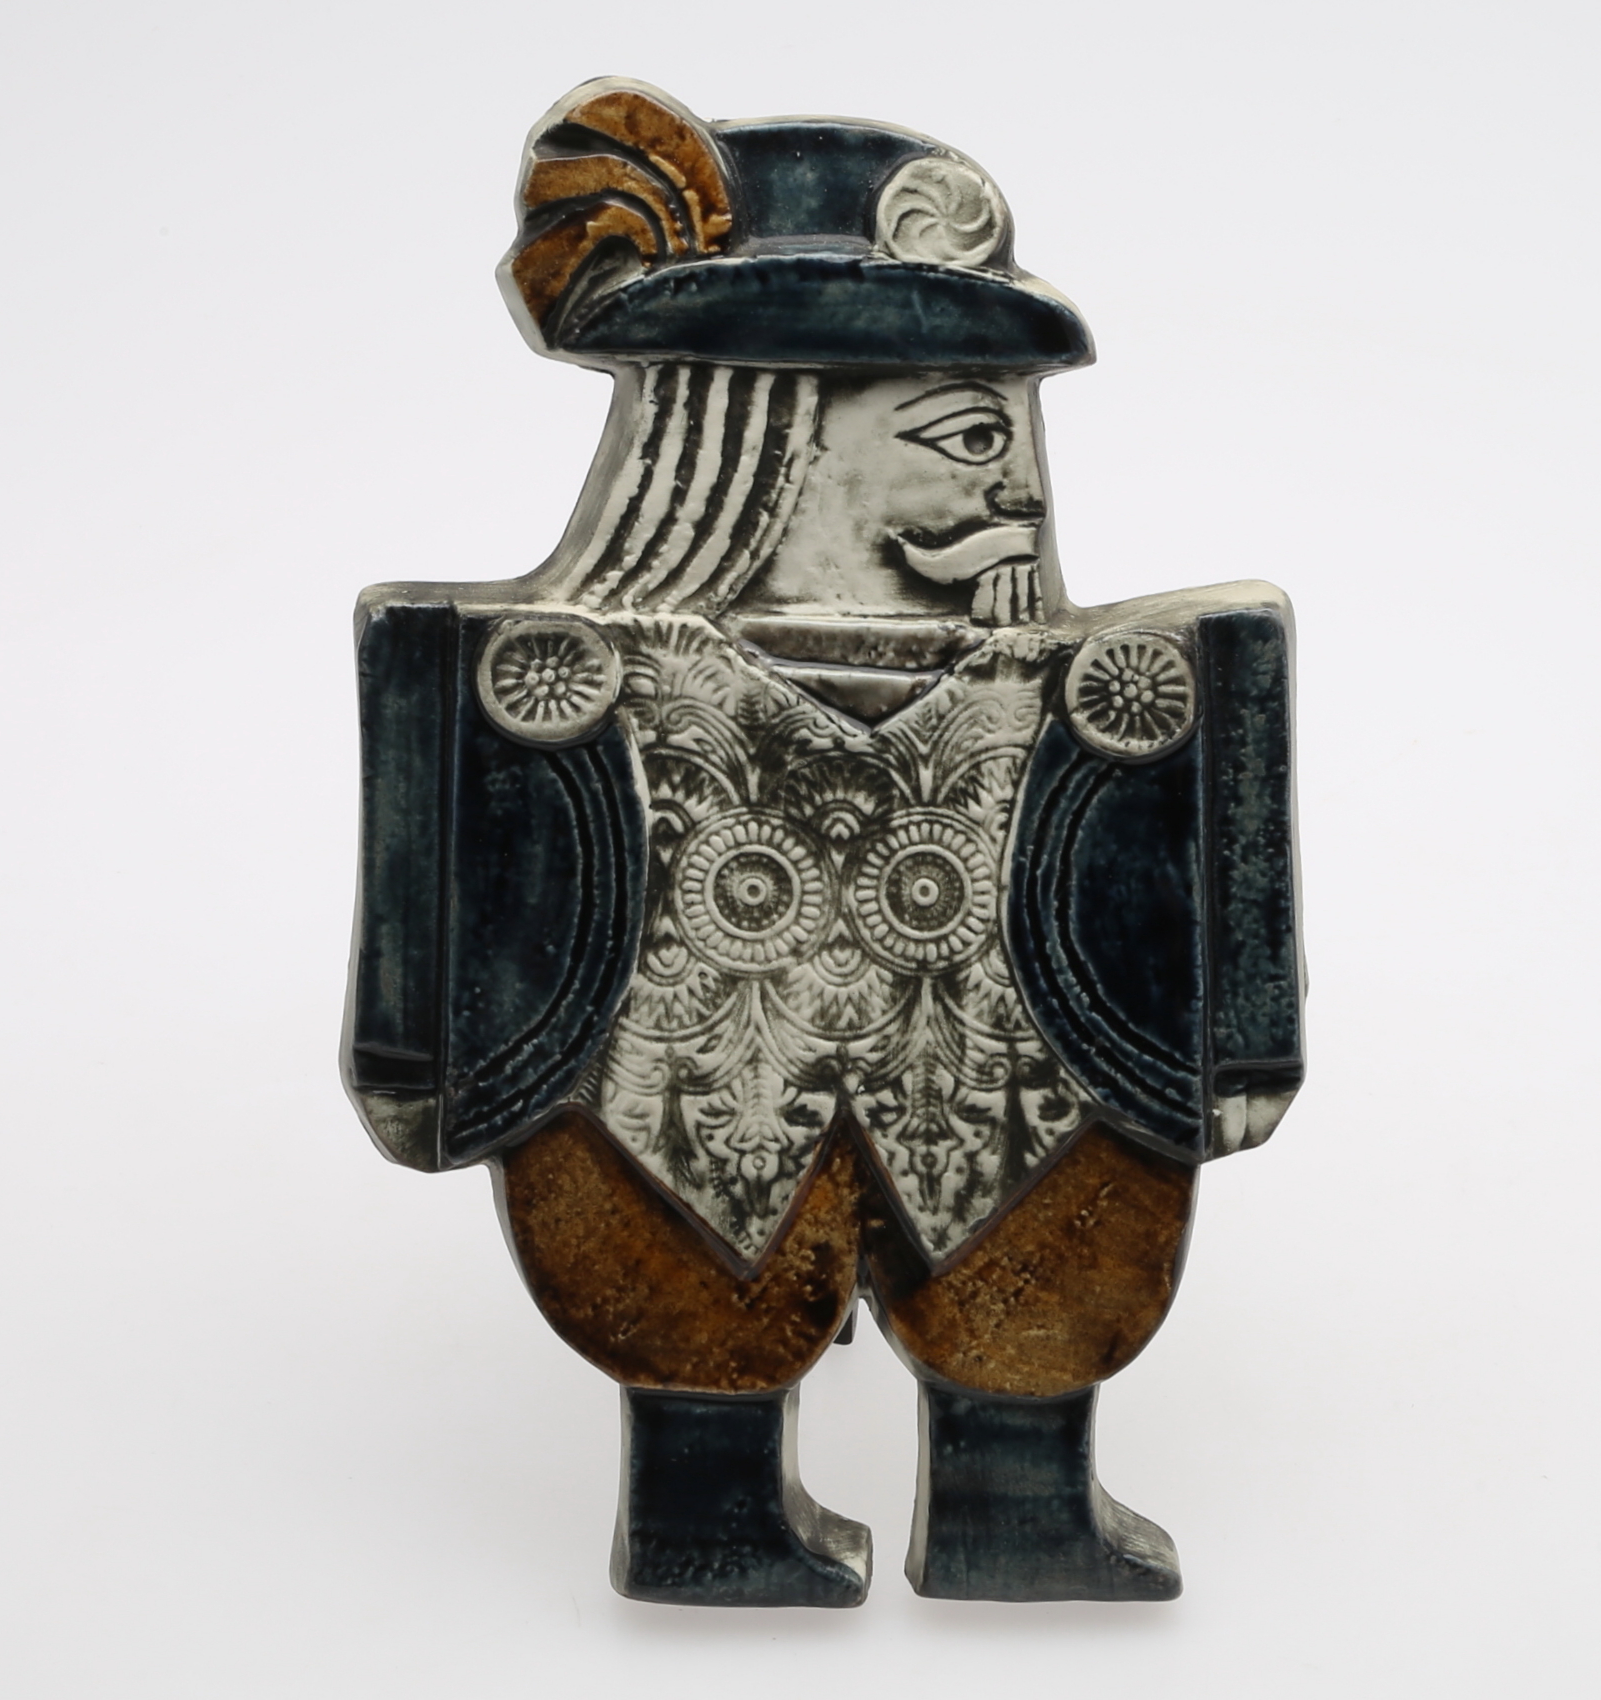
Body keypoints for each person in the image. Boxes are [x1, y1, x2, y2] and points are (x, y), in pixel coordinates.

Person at [344, 78, 1304, 1606]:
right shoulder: (548, 686)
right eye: (968, 434)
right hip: (667, 1108)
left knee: (1044, 1272)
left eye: (1021, 434)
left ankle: (1015, 1504)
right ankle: (709, 1514)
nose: (1020, 484)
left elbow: (1197, 872)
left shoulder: (1116, 689)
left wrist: (1241, 1044)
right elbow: (456, 883)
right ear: (762, 434)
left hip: (1022, 1101)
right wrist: (414, 1054)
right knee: (682, 1288)